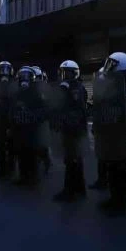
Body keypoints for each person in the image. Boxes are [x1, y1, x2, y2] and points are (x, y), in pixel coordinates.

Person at [92, 53, 126, 215]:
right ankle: (115, 198)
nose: (108, 67)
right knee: (112, 167)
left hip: (122, 133)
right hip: (110, 131)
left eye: (112, 64)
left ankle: (120, 203)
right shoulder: (113, 84)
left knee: (119, 168)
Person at [51, 61, 87, 201]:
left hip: (74, 129)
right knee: (75, 159)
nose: (64, 76)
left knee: (71, 160)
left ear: (74, 73)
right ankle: (79, 188)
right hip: (71, 128)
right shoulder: (70, 87)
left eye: (67, 73)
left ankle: (69, 191)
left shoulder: (75, 88)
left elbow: (75, 110)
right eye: (62, 72)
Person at [0, 61, 16, 179]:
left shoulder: (14, 84)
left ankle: (10, 168)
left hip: (10, 118)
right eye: (2, 69)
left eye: (6, 69)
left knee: (11, 144)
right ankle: (2, 168)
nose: (4, 72)